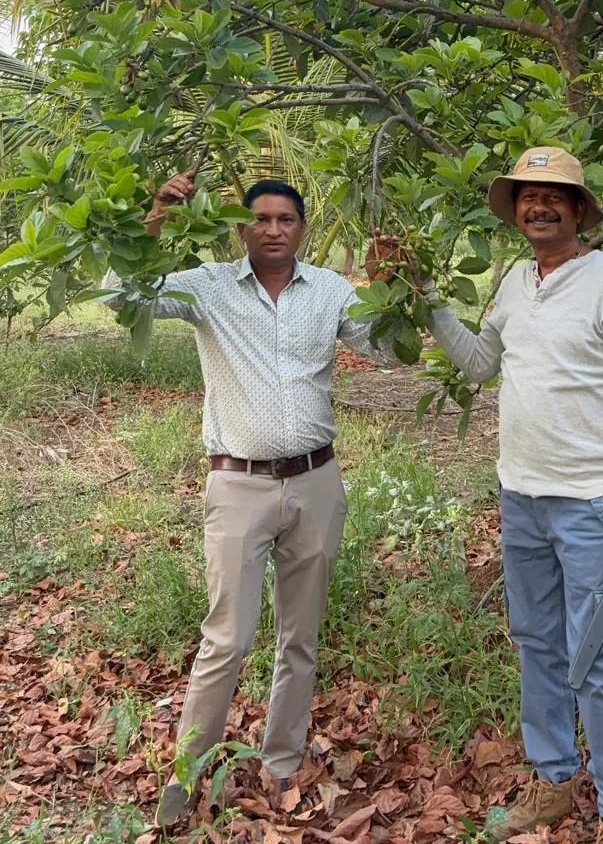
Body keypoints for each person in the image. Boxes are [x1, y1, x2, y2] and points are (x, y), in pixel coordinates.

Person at [102, 174, 398, 827]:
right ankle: (185, 781)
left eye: (285, 219)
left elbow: (385, 349)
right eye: (259, 218)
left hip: (317, 483)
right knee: (226, 641)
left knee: (302, 636)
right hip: (238, 485)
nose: (272, 229)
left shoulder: (329, 291)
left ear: (303, 227)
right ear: (242, 227)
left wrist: (392, 288)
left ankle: (282, 763)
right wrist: (154, 218)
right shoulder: (208, 287)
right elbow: (120, 296)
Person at [427, 148, 603, 844]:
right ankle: (555, 780)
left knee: (598, 658)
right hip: (522, 499)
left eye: (554, 197)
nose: (539, 206)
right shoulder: (513, 282)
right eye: (528, 196)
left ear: (579, 209)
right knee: (537, 643)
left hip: (594, 506)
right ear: (516, 211)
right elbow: (479, 366)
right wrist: (429, 302)